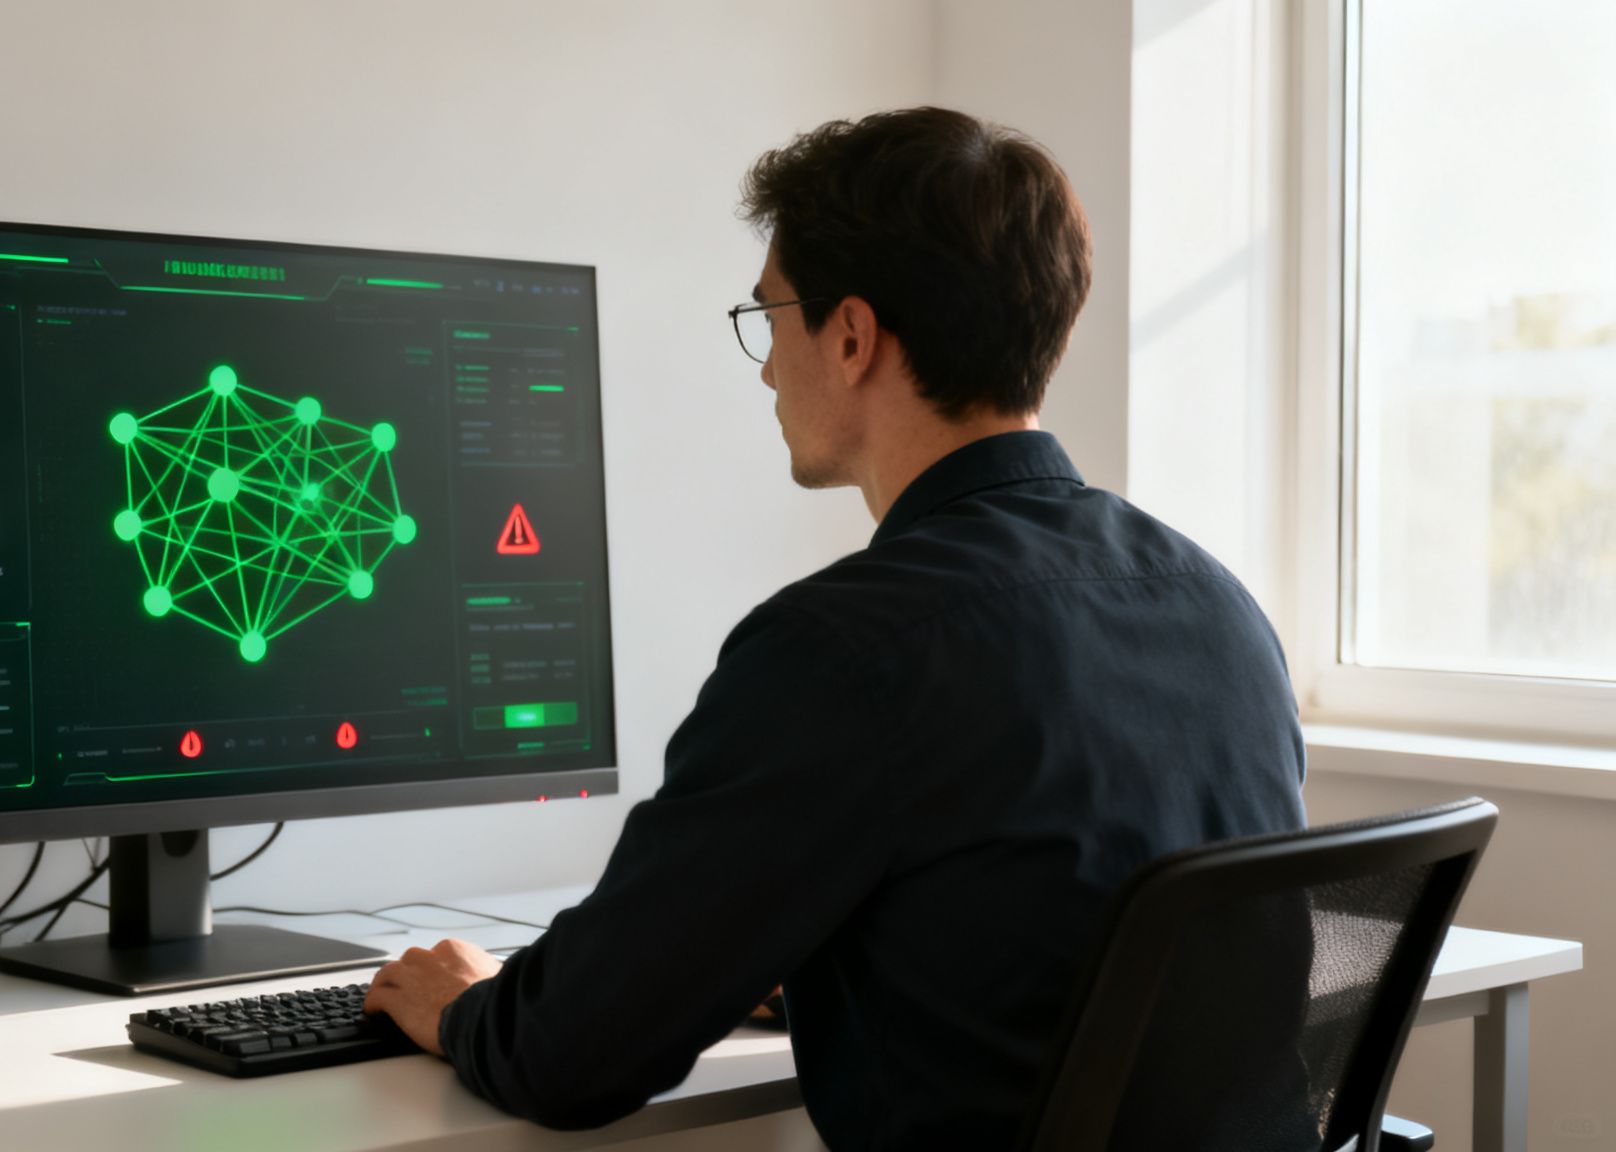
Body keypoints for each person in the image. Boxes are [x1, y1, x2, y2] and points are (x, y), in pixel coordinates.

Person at [363, 106, 1307, 1149]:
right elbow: (1045, 921)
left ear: (851, 336)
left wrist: (466, 1004)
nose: (768, 366)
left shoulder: (842, 652)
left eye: (769, 316)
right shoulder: (1217, 605)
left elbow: (571, 1054)